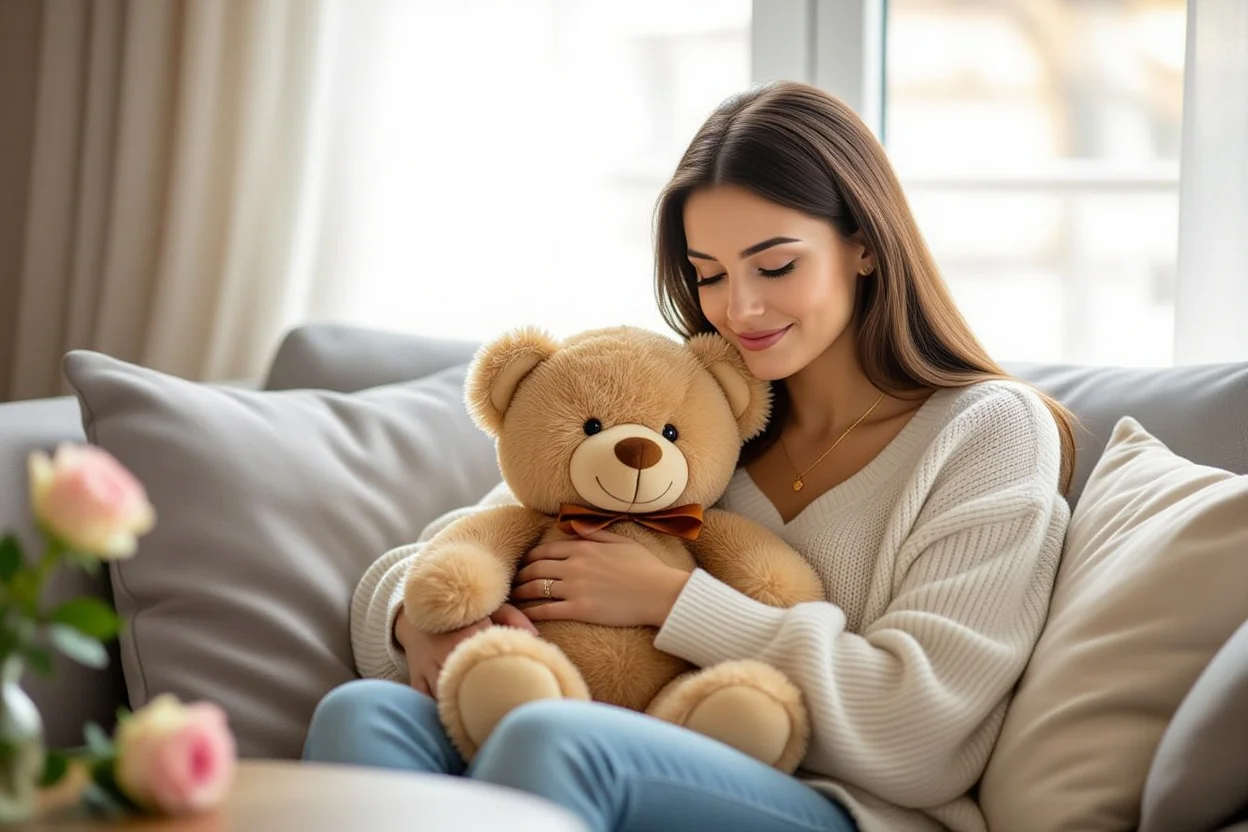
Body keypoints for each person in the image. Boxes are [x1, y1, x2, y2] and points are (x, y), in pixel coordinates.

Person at [302, 80, 1075, 832]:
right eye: (710, 275)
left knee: (555, 744)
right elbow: (441, 549)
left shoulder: (988, 432)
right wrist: (422, 624)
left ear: (865, 247)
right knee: (364, 714)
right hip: (624, 742)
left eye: (776, 266)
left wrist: (674, 602)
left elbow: (924, 737)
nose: (739, 309)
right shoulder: (696, 414)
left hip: (841, 803)